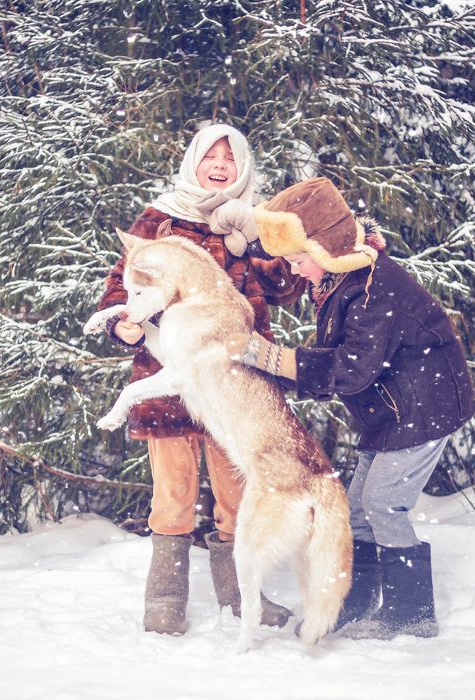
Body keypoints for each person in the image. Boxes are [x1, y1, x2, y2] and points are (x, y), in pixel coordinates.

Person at [226, 177, 475, 640]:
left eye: (299, 260)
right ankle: (352, 601)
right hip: (388, 410)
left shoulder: (374, 287)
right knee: (355, 509)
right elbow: (337, 361)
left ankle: (411, 615)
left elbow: (353, 369)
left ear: (324, 247)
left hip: (422, 409)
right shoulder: (341, 278)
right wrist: (276, 372)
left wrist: (274, 359)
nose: (296, 272)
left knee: (382, 504)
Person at [95, 124, 306, 635]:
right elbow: (122, 282)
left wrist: (258, 237)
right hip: (168, 374)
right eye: (210, 156)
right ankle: (165, 597)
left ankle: (239, 594)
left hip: (235, 380)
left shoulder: (254, 221)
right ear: (194, 161)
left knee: (238, 492)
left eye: (229, 159)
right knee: (173, 492)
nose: (219, 166)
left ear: (243, 168)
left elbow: (287, 285)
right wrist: (121, 323)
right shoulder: (161, 218)